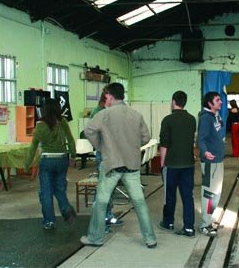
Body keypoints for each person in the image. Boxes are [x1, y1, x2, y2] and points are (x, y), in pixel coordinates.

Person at [81, 82, 157, 248]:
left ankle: (95, 238)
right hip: (132, 166)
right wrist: (131, 145)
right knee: (139, 202)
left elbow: (88, 131)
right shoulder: (135, 115)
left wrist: (101, 146)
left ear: (109, 95)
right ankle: (150, 238)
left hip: (111, 166)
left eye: (106, 95)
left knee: (101, 202)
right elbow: (146, 138)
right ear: (123, 95)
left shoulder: (104, 115)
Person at [25, 98, 77, 230]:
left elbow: (33, 147)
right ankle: (66, 209)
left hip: (47, 160)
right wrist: (73, 155)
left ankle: (49, 221)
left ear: (44, 110)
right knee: (59, 188)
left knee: (46, 192)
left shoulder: (40, 126)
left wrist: (27, 164)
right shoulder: (63, 122)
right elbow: (70, 140)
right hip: (62, 159)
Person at [158, 91, 197, 237]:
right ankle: (189, 227)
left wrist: (162, 163)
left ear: (173, 101)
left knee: (170, 195)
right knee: (188, 196)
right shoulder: (192, 119)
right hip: (188, 164)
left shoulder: (167, 120)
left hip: (172, 165)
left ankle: (168, 222)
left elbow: (164, 144)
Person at [89, 92, 123, 229]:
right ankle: (100, 221)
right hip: (103, 155)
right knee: (103, 189)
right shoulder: (98, 113)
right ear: (107, 98)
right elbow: (91, 132)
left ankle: (108, 217)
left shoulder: (110, 112)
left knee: (109, 188)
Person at [197, 91, 225, 237]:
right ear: (210, 104)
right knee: (209, 193)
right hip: (210, 162)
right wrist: (205, 152)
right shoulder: (206, 118)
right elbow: (200, 139)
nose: (220, 102)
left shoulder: (214, 115)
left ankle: (209, 220)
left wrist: (218, 115)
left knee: (216, 193)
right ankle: (204, 225)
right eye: (217, 100)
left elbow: (220, 127)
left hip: (218, 160)